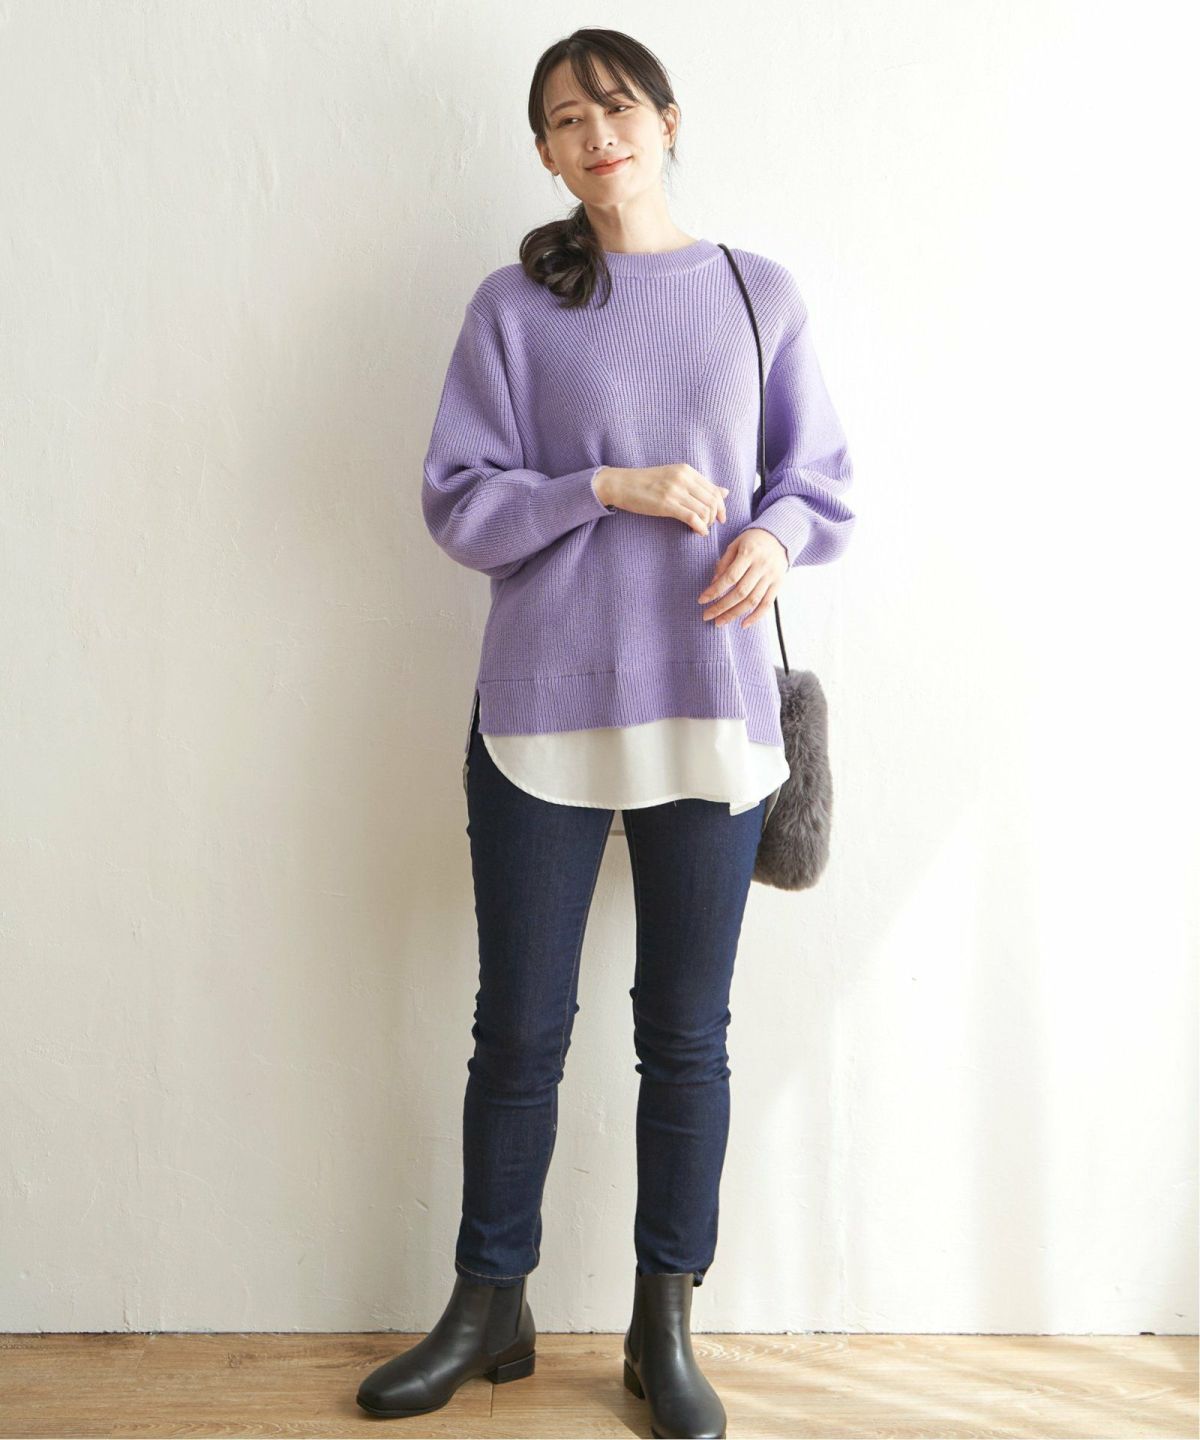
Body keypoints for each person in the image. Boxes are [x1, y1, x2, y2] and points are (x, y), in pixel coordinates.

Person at [357, 26, 855, 1438]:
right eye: (566, 120)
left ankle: (662, 1328)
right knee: (517, 1031)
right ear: (545, 153)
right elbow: (459, 501)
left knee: (686, 1037)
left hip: (712, 710)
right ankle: (488, 1308)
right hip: (543, 710)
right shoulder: (513, 308)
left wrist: (776, 537)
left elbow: (820, 477)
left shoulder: (757, 293)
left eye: (616, 107)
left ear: (668, 120)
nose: (596, 135)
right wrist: (604, 487)